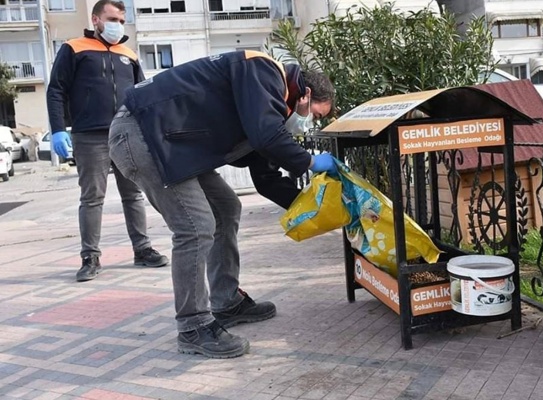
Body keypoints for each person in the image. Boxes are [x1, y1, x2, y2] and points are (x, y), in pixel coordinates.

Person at [108, 50, 337, 358]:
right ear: (306, 95)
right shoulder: (262, 70)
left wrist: (315, 209)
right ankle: (192, 326)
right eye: (315, 115)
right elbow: (267, 138)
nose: (309, 123)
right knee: (195, 226)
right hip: (142, 135)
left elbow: (266, 177)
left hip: (172, 145)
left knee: (226, 208)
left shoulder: (268, 107)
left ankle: (226, 301)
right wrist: (310, 161)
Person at [46, 0, 169, 283]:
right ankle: (90, 257)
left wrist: (150, 130)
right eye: (112, 18)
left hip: (126, 133)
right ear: (96, 19)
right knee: (92, 197)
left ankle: (142, 249)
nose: (118, 25)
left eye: (122, 21)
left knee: (134, 195)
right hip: (89, 135)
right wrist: (57, 129)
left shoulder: (129, 53)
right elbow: (56, 91)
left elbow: (142, 95)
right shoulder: (74, 48)